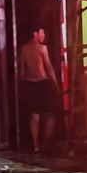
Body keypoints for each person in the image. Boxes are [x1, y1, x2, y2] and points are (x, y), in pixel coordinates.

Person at [18, 25, 61, 153]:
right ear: (35, 33)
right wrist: (56, 84)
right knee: (50, 112)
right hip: (43, 83)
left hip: (30, 83)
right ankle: (45, 141)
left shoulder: (23, 49)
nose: (43, 36)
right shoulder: (42, 48)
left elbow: (21, 69)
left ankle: (35, 144)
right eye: (42, 33)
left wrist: (22, 85)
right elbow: (48, 67)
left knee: (34, 115)